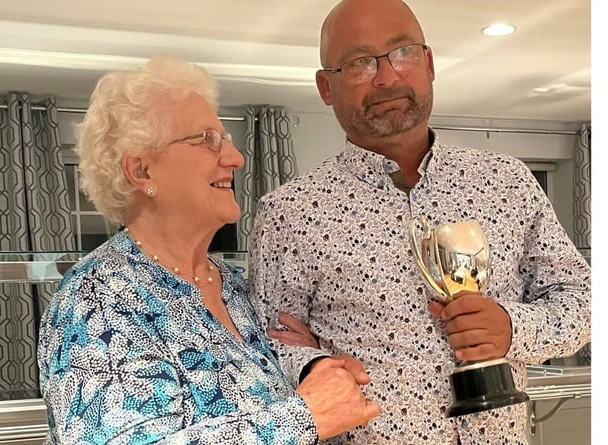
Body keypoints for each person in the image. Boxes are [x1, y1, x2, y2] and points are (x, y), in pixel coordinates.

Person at [248, 0, 591, 444]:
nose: (388, 76)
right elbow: (264, 346)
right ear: (325, 88)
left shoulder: (507, 182)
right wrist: (313, 364)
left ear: (428, 64)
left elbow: (584, 300)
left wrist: (512, 329)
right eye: (358, 63)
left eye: (403, 52)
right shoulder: (288, 214)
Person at [36, 54, 380, 445]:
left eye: (226, 140)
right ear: (141, 171)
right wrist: (304, 418)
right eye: (206, 140)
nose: (235, 159)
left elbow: (274, 388)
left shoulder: (233, 286)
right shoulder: (96, 300)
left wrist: (313, 364)